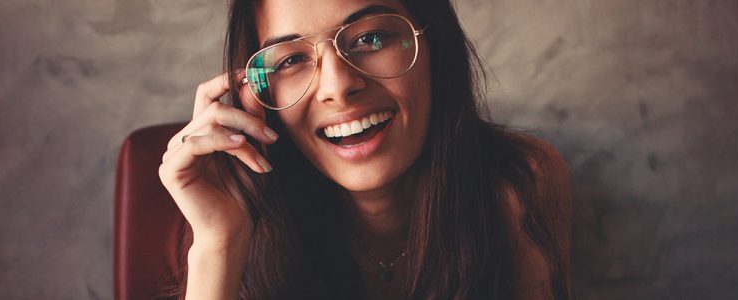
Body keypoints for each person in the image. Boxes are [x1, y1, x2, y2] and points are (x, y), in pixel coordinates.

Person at [158, 0, 572, 299]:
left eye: (371, 38)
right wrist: (220, 245)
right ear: (255, 95)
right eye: (289, 61)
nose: (338, 86)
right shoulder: (239, 214)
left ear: (434, 50)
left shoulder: (520, 180)